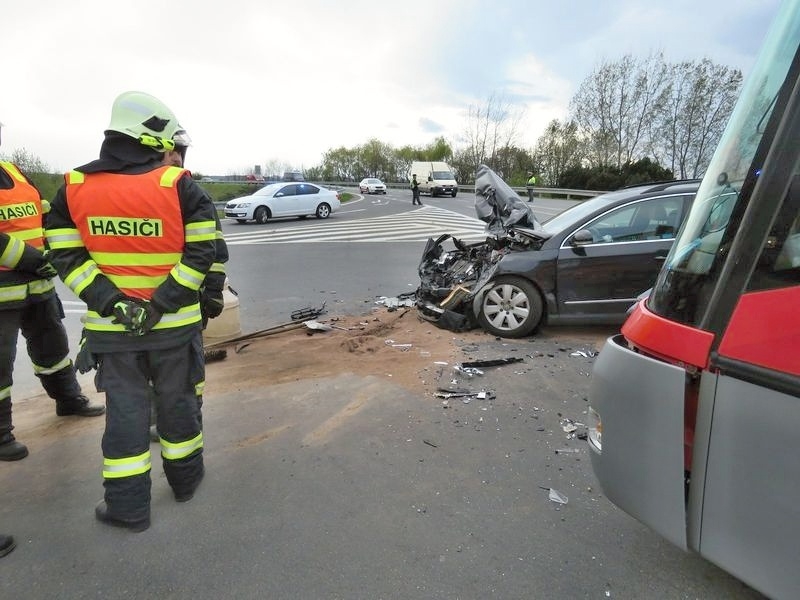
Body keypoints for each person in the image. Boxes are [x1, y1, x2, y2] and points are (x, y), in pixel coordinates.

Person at [45, 91, 220, 532]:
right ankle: (186, 481)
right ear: (153, 134)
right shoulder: (178, 186)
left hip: (113, 333)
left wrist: (115, 304)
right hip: (174, 330)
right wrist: (158, 306)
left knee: (125, 414)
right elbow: (202, 254)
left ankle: (127, 508)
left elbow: (69, 260)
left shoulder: (73, 188)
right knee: (178, 404)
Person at [0, 127, 104, 463]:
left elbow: (40, 212)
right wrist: (33, 259)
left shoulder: (13, 170)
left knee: (53, 348)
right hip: (5, 289)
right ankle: (1, 434)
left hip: (37, 285)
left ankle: (68, 399)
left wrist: (50, 248)